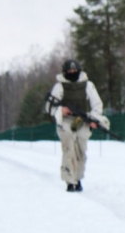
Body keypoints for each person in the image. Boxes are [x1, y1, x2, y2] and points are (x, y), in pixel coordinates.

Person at [45, 59, 109, 192]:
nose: (72, 72)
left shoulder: (88, 85)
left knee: (81, 150)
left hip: (83, 120)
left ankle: (78, 178)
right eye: (70, 71)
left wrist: (93, 119)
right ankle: (69, 181)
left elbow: (97, 105)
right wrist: (60, 110)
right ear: (65, 71)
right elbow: (49, 106)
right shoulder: (60, 86)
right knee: (69, 148)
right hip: (66, 120)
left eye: (75, 70)